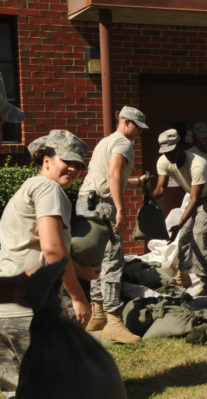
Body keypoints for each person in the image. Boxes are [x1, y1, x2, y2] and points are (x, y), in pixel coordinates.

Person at [0, 128, 93, 398]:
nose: (74, 169)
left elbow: (37, 250)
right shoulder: (47, 187)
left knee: (18, 390)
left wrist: (80, 270)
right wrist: (78, 298)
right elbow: (52, 250)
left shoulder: (25, 190)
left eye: (78, 164)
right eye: (67, 161)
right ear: (46, 159)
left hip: (6, 312)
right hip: (33, 311)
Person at [77, 105, 149, 344]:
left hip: (85, 203)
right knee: (112, 261)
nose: (138, 133)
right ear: (127, 122)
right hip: (103, 206)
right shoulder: (123, 143)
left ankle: (97, 314)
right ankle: (114, 322)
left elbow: (108, 174)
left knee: (96, 260)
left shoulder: (105, 141)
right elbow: (113, 175)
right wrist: (120, 208)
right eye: (137, 128)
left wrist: (136, 181)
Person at [152, 129, 207, 296]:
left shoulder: (198, 164)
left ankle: (205, 283)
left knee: (200, 235)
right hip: (195, 195)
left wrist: (178, 223)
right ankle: (183, 274)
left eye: (172, 151)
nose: (169, 156)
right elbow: (160, 189)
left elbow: (194, 200)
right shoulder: (163, 161)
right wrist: (147, 201)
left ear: (180, 147)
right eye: (165, 152)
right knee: (185, 235)